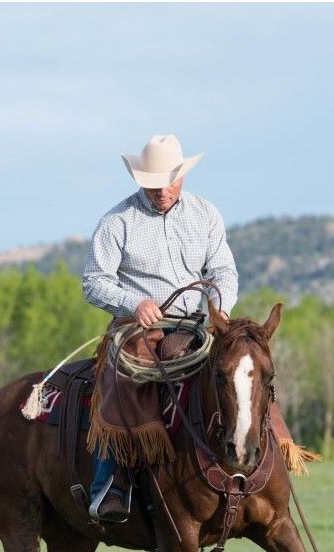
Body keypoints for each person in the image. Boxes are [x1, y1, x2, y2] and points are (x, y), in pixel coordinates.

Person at [81, 134, 238, 522]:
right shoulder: (117, 222)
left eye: (168, 182)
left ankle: (262, 458)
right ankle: (111, 485)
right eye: (151, 185)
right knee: (122, 380)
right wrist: (134, 304)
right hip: (137, 329)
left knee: (242, 371)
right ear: (140, 182)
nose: (161, 192)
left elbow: (222, 269)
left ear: (181, 177)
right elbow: (93, 281)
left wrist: (220, 308)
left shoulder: (205, 214)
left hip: (194, 324)